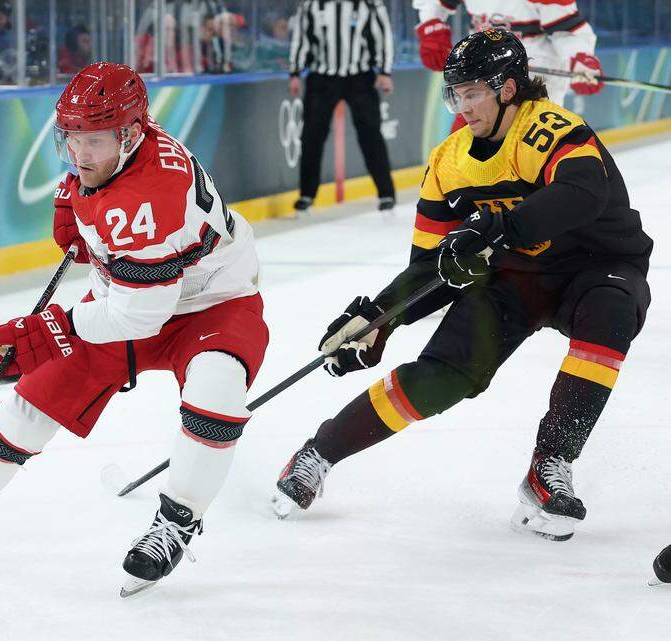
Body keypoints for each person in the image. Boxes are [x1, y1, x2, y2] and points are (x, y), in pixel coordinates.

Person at [0, 62, 268, 596]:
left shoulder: (148, 195)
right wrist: (78, 205)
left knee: (216, 388)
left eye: (93, 141)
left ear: (131, 135)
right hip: (135, 294)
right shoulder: (124, 149)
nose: (79, 155)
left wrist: (54, 329)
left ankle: (178, 521)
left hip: (213, 302)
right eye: (71, 139)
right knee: (33, 400)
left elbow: (141, 316)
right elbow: (125, 273)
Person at [272, 30, 652, 543]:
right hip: (517, 279)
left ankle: (550, 464)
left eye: (473, 91)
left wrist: (494, 229)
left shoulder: (552, 128)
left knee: (610, 313)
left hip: (597, 265)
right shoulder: (447, 163)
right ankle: (318, 453)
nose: (461, 104)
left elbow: (582, 193)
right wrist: (380, 318)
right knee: (441, 378)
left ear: (509, 88)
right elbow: (431, 263)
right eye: (456, 93)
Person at [288, 0, 396, 213]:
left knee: (371, 135)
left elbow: (383, 34)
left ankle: (386, 193)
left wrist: (384, 71)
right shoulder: (311, 4)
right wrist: (295, 71)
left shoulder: (369, 3)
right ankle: (307, 194)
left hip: (359, 76)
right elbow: (301, 37)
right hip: (322, 77)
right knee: (311, 136)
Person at [414, 0, 601, 108]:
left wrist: (581, 60)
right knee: (468, 151)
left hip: (533, 80)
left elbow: (566, 31)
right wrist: (433, 28)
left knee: (528, 154)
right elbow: (433, 3)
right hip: (484, 70)